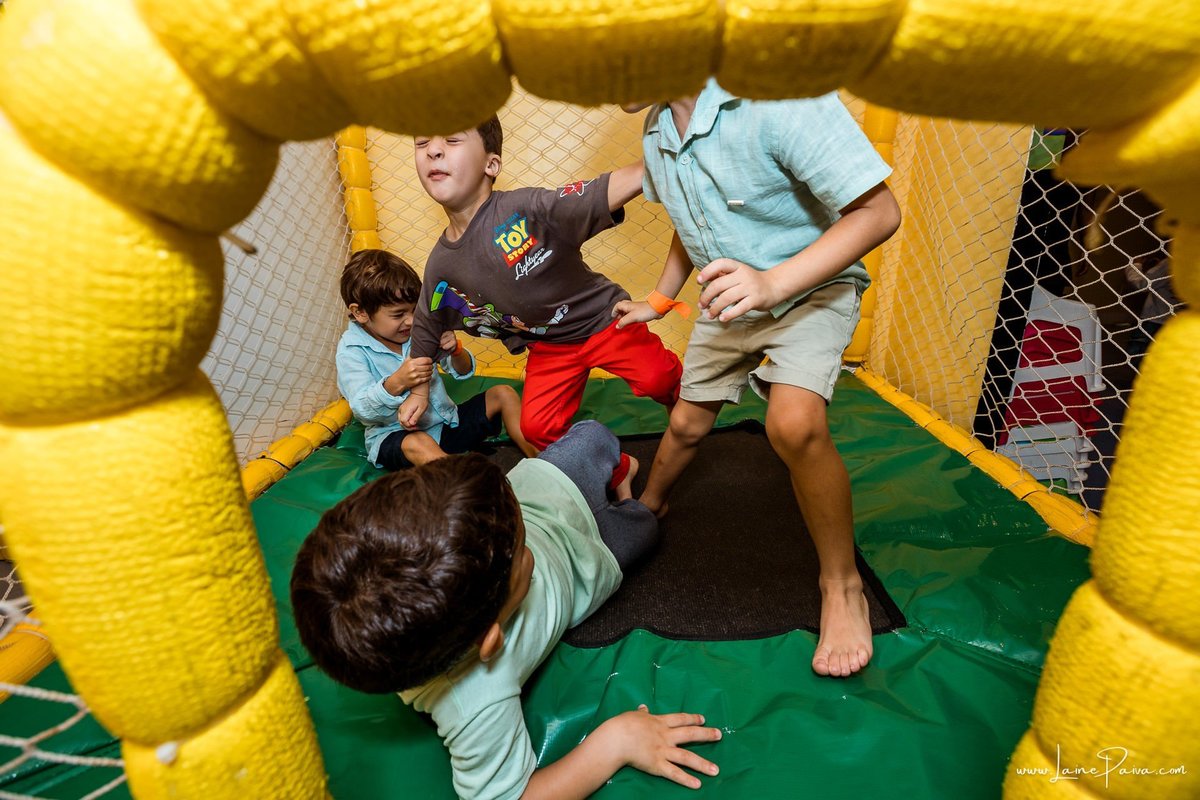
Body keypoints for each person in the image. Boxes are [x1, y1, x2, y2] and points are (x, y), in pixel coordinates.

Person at [615, 83, 902, 678]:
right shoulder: (657, 131)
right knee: (687, 423)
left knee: (793, 424)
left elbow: (879, 212)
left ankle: (841, 584)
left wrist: (773, 284)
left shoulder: (778, 100)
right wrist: (661, 300)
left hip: (811, 292)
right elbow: (689, 220)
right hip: (732, 302)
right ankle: (648, 507)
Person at [290, 421, 722, 800]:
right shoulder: (474, 701)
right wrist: (617, 742)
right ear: (491, 638)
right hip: (586, 563)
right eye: (521, 551)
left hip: (540, 492)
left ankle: (608, 483)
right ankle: (622, 503)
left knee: (593, 435)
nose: (525, 544)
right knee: (644, 526)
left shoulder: (407, 577)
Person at [398, 117, 681, 486]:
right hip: (550, 348)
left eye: (451, 139)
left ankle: (693, 404)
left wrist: (660, 160)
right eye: (422, 143)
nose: (434, 150)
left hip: (602, 321)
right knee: (536, 429)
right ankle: (619, 469)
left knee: (659, 378)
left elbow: (598, 193)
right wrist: (419, 390)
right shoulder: (442, 263)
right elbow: (426, 323)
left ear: (491, 164)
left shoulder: (526, 209)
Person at [336, 248, 535, 470]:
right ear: (360, 312)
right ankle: (466, 486)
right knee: (418, 442)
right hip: (398, 437)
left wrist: (455, 351)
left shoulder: (420, 328)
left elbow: (462, 371)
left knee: (503, 393)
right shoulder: (351, 351)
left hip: (447, 424)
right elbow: (362, 409)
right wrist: (397, 382)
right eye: (398, 314)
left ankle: (542, 462)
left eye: (415, 310)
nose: (411, 321)